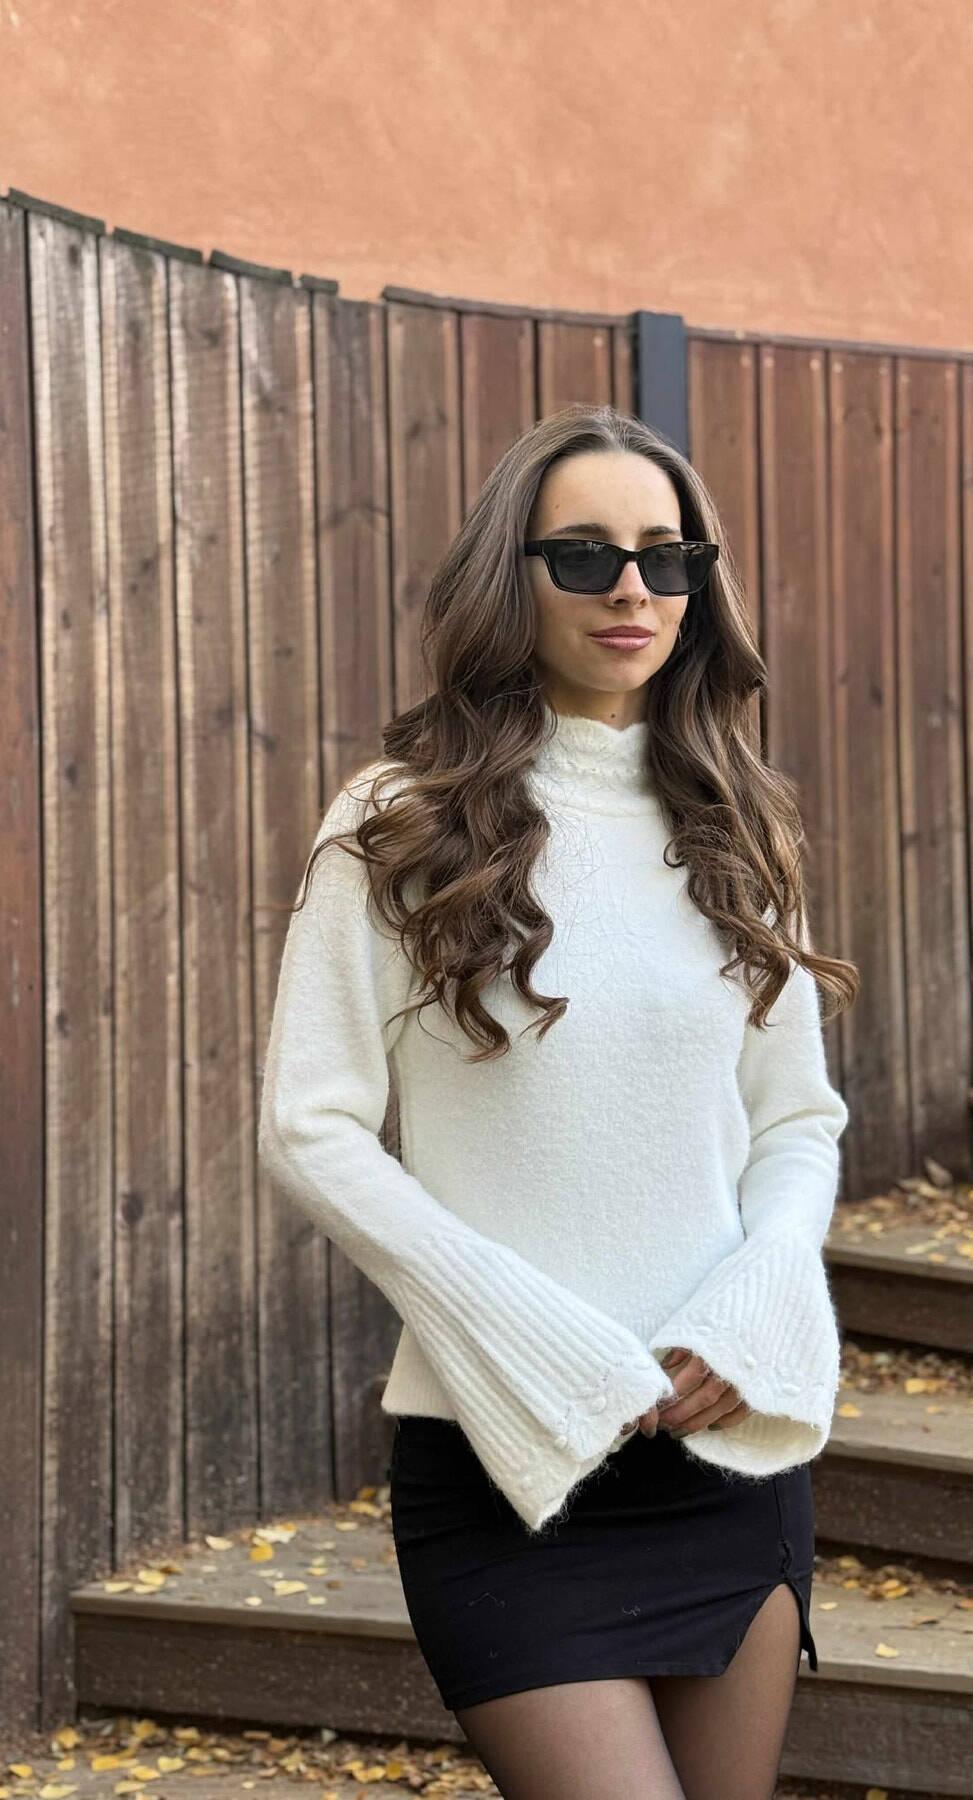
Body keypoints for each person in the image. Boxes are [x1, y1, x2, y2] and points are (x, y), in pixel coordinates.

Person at [257, 402, 859, 1800]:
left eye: (666, 555)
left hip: (724, 1450)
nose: (633, 589)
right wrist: (526, 1336)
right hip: (503, 1465)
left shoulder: (741, 825)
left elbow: (796, 1122)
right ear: (509, 578)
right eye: (584, 555)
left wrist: (758, 1305)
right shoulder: (400, 821)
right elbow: (311, 1127)